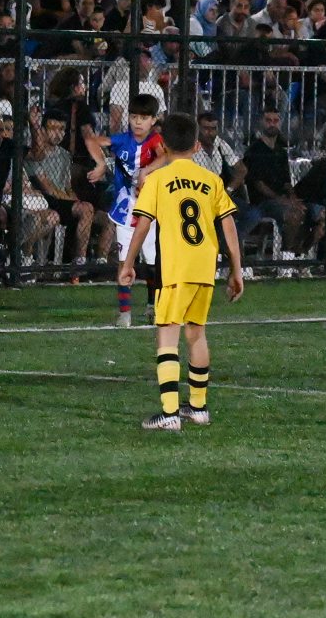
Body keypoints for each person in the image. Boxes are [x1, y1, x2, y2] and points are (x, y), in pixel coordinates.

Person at [120, 110, 246, 431]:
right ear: (196, 145)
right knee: (197, 334)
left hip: (174, 268)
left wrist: (128, 263)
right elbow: (228, 225)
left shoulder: (157, 180)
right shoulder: (211, 180)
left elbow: (143, 224)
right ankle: (199, 408)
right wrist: (237, 269)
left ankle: (170, 413)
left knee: (166, 335)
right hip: (205, 267)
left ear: (161, 144)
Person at [103, 91, 164, 326]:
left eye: (144, 117)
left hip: (150, 209)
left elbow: (165, 156)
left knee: (152, 261)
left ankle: (153, 306)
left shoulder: (155, 142)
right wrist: (100, 163)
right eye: (134, 116)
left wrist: (146, 171)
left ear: (153, 120)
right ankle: (125, 312)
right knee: (124, 260)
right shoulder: (123, 140)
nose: (138, 121)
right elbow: (97, 142)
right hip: (124, 209)